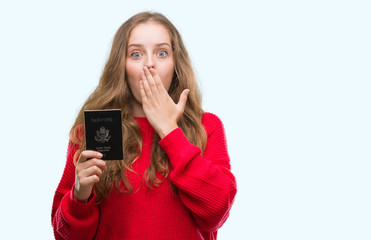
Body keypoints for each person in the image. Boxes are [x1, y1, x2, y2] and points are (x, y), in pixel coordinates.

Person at [51, 11, 237, 240]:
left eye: (161, 53)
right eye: (136, 54)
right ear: (122, 65)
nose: (150, 64)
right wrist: (79, 196)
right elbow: (65, 236)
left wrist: (169, 130)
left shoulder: (206, 126)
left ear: (175, 63)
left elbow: (216, 212)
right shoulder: (93, 131)